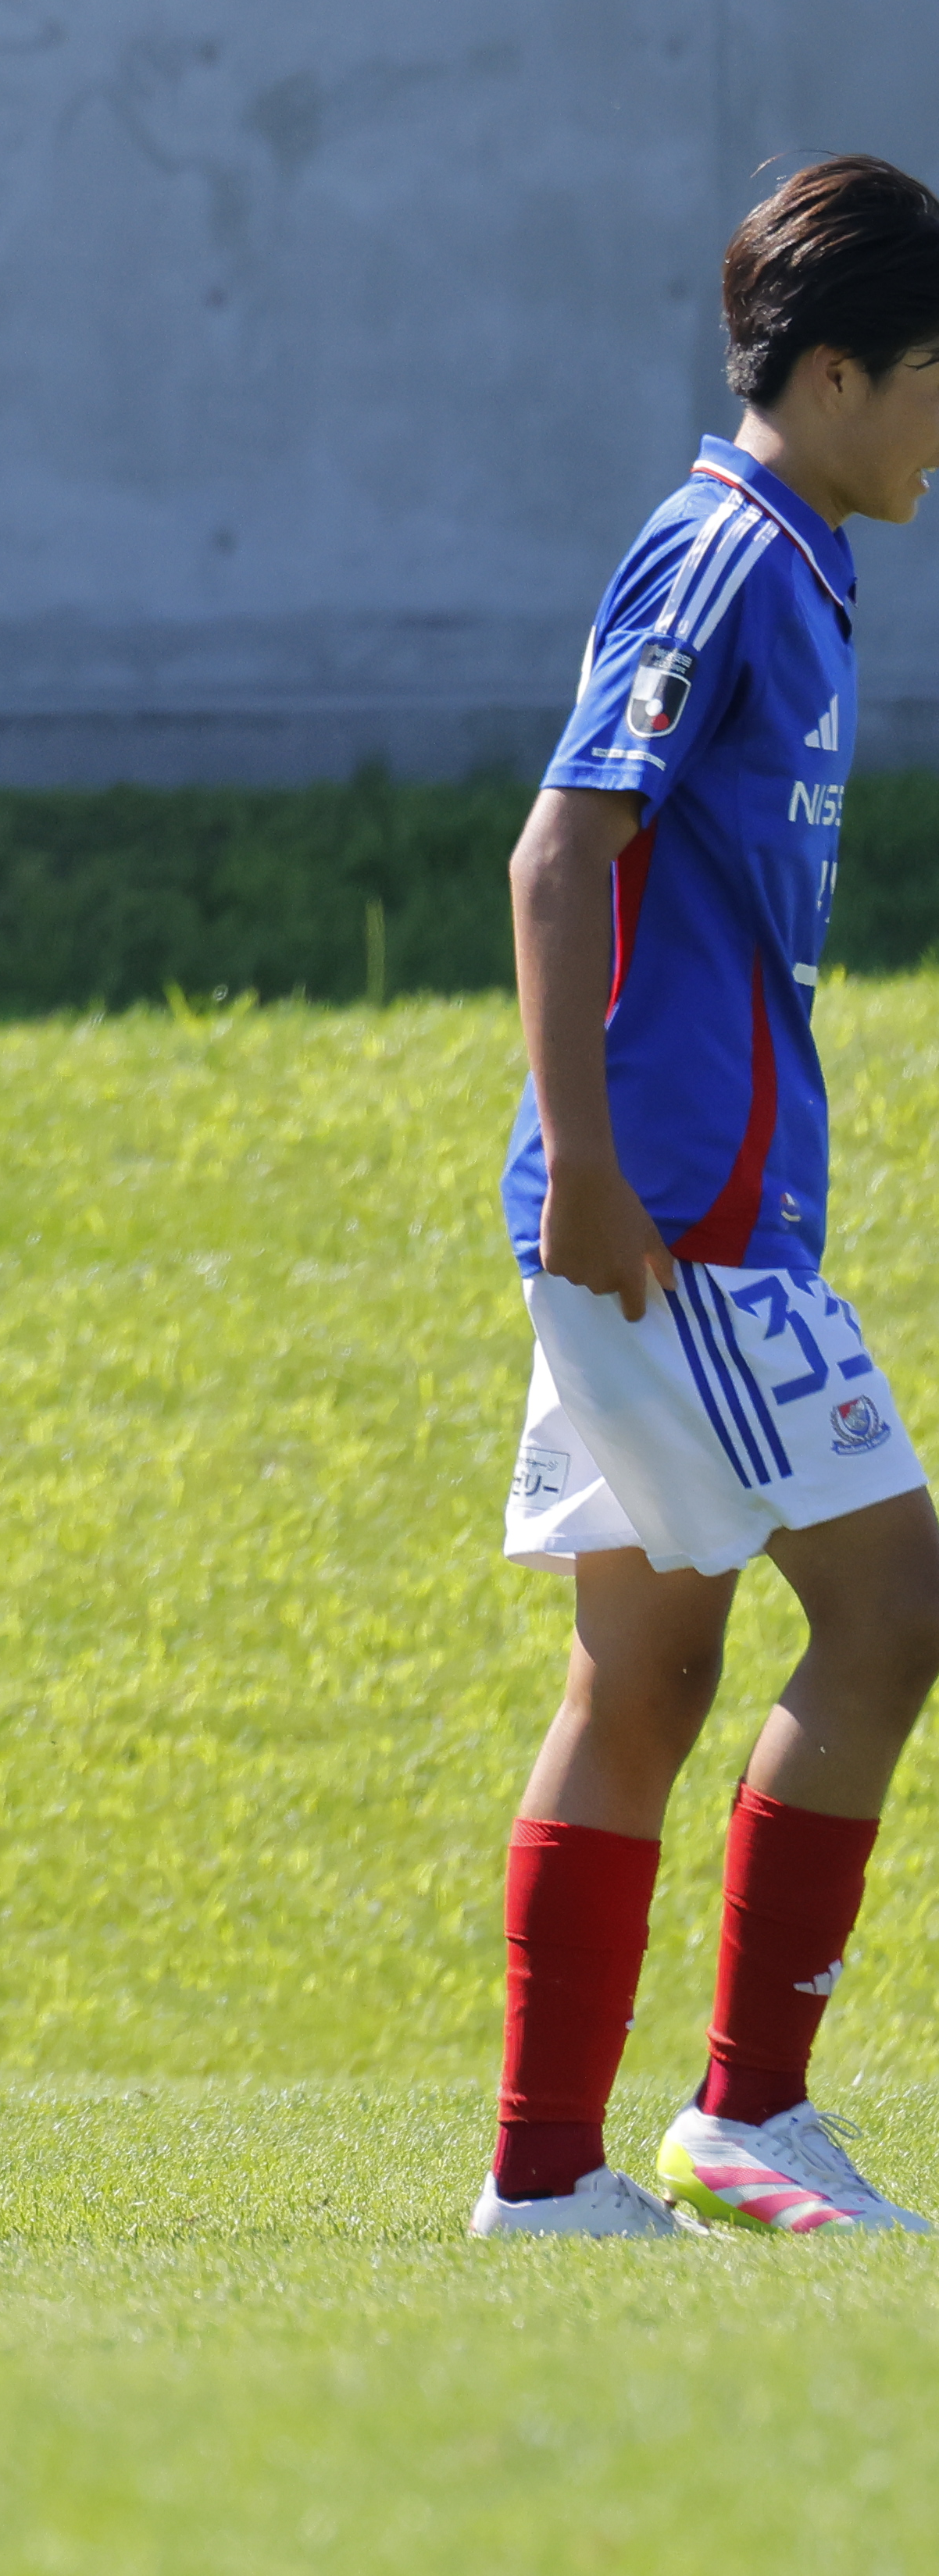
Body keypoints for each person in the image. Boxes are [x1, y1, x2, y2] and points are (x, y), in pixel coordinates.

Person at [475, 155, 939, 2239]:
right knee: (901, 1610)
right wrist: (585, 1160)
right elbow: (559, 852)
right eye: (933, 377)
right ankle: (743, 2113)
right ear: (833, 372)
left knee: (644, 1680)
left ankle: (551, 2175)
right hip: (676, 1224)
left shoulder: (797, 558)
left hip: (676, 1212)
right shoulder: (728, 556)